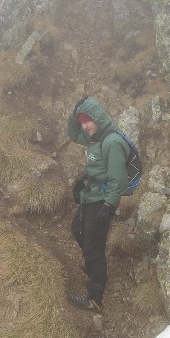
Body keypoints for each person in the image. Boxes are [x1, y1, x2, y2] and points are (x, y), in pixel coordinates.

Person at [67, 96, 130, 312]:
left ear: (98, 118)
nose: (85, 126)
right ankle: (93, 265)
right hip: (89, 196)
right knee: (77, 229)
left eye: (87, 121)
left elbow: (118, 180)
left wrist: (109, 206)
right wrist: (75, 113)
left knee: (94, 248)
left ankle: (95, 299)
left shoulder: (112, 142)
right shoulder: (94, 137)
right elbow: (73, 134)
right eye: (82, 122)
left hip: (101, 201)